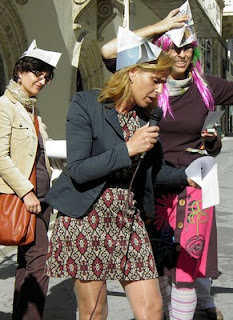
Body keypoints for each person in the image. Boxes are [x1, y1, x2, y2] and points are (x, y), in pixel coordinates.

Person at [44, 27, 198, 320]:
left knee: (152, 309)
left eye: (163, 84)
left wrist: (187, 175)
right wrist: (127, 149)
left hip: (129, 219)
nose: (159, 90)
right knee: (94, 310)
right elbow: (77, 170)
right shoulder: (87, 104)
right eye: (155, 81)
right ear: (131, 73)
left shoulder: (147, 118)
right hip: (86, 218)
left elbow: (153, 172)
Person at [100, 1, 232, 319]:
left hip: (194, 182)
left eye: (187, 48)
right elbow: (108, 52)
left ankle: (200, 303)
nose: (181, 54)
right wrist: (159, 27)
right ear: (162, 49)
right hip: (153, 180)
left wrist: (210, 144)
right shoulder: (147, 83)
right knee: (156, 265)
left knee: (189, 264)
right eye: (174, 47)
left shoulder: (208, 88)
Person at [0, 40, 62, 320]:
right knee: (40, 261)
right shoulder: (5, 106)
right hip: (23, 196)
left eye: (47, 77)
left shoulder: (31, 110)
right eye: (38, 73)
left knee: (29, 261)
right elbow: (1, 157)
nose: (43, 80)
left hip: (42, 194)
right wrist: (27, 193)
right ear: (20, 72)